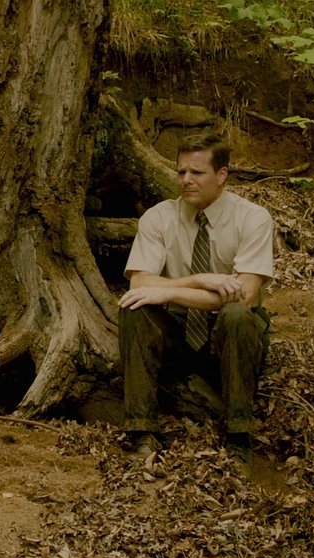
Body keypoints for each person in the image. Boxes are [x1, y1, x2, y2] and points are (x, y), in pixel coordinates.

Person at [118, 132, 273, 469]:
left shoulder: (252, 218)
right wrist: (198, 280)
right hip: (179, 330)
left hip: (230, 337)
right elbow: (140, 283)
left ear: (222, 174)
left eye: (197, 172)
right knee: (134, 307)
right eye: (181, 171)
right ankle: (142, 431)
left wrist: (170, 290)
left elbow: (244, 295)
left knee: (236, 314)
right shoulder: (159, 218)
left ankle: (239, 438)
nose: (186, 180)